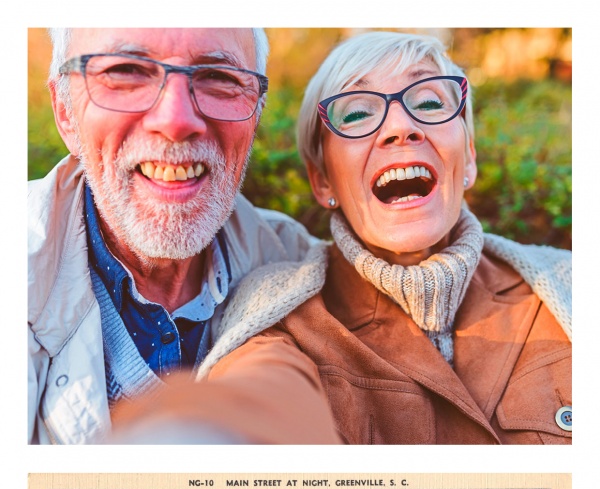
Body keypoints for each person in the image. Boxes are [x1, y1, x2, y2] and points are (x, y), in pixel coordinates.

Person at [193, 31, 571, 445]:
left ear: (470, 158)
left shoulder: (569, 286)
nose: (401, 127)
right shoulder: (278, 317)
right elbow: (257, 403)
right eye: (356, 114)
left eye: (429, 103)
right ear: (322, 181)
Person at [28, 27, 338, 444]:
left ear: (256, 112)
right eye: (126, 72)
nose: (175, 121)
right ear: (65, 111)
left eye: (219, 78)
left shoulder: (299, 266)